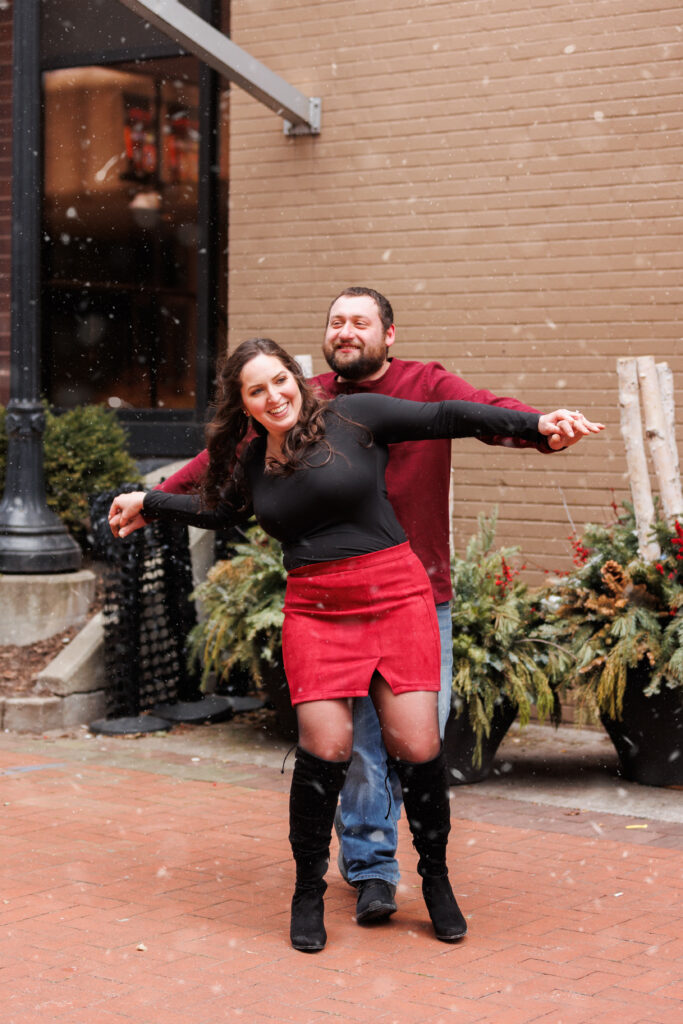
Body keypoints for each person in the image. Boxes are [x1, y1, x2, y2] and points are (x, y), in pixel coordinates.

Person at [109, 338, 603, 953]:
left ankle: (436, 879)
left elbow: (450, 415)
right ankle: (307, 892)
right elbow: (221, 510)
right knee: (327, 745)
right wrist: (151, 502)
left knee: (417, 743)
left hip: (395, 594)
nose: (275, 396)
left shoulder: (357, 416)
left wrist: (535, 424)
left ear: (297, 378)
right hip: (315, 608)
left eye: (280, 380)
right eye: (257, 390)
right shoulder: (252, 458)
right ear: (244, 405)